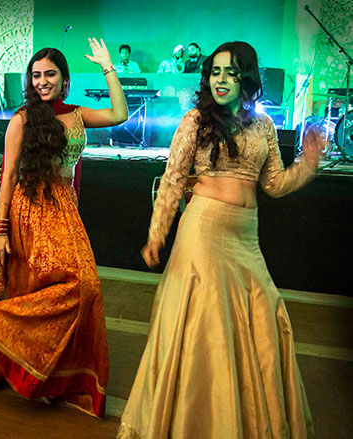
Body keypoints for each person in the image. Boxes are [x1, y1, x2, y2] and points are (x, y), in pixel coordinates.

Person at [119, 41, 319, 438]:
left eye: (231, 72)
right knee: (206, 327)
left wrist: (309, 162)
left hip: (246, 236)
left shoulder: (263, 125)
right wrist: (157, 234)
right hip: (203, 231)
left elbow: (275, 184)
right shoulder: (195, 120)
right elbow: (173, 180)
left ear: (247, 78)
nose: (221, 80)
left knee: (261, 318)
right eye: (215, 72)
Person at [0, 39, 128, 418]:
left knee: (84, 287)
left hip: (66, 208)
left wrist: (107, 67)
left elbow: (120, 113)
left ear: (64, 79)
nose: (42, 81)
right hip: (31, 208)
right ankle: (1, 330)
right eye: (36, 75)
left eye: (50, 74)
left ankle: (54, 377)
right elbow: (8, 175)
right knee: (47, 286)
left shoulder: (77, 114)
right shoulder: (22, 119)